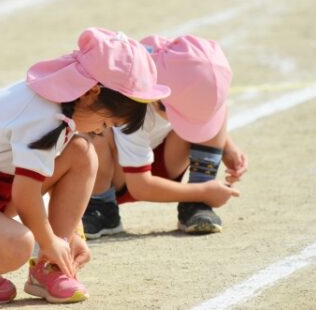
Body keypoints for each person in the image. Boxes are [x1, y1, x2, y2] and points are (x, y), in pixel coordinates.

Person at [0, 27, 171, 305]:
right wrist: (48, 242)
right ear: (91, 93)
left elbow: (36, 185)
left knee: (82, 152)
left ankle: (47, 269)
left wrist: (70, 235)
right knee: (19, 245)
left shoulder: (67, 106)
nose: (102, 130)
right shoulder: (44, 115)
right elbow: (26, 194)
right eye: (107, 123)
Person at [82, 33, 248, 239]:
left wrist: (227, 146)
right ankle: (101, 206)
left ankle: (195, 205)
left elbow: (207, 106)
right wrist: (204, 191)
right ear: (159, 99)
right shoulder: (132, 108)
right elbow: (140, 187)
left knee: (214, 107)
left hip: (153, 160)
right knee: (95, 129)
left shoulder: (163, 67)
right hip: (122, 178)